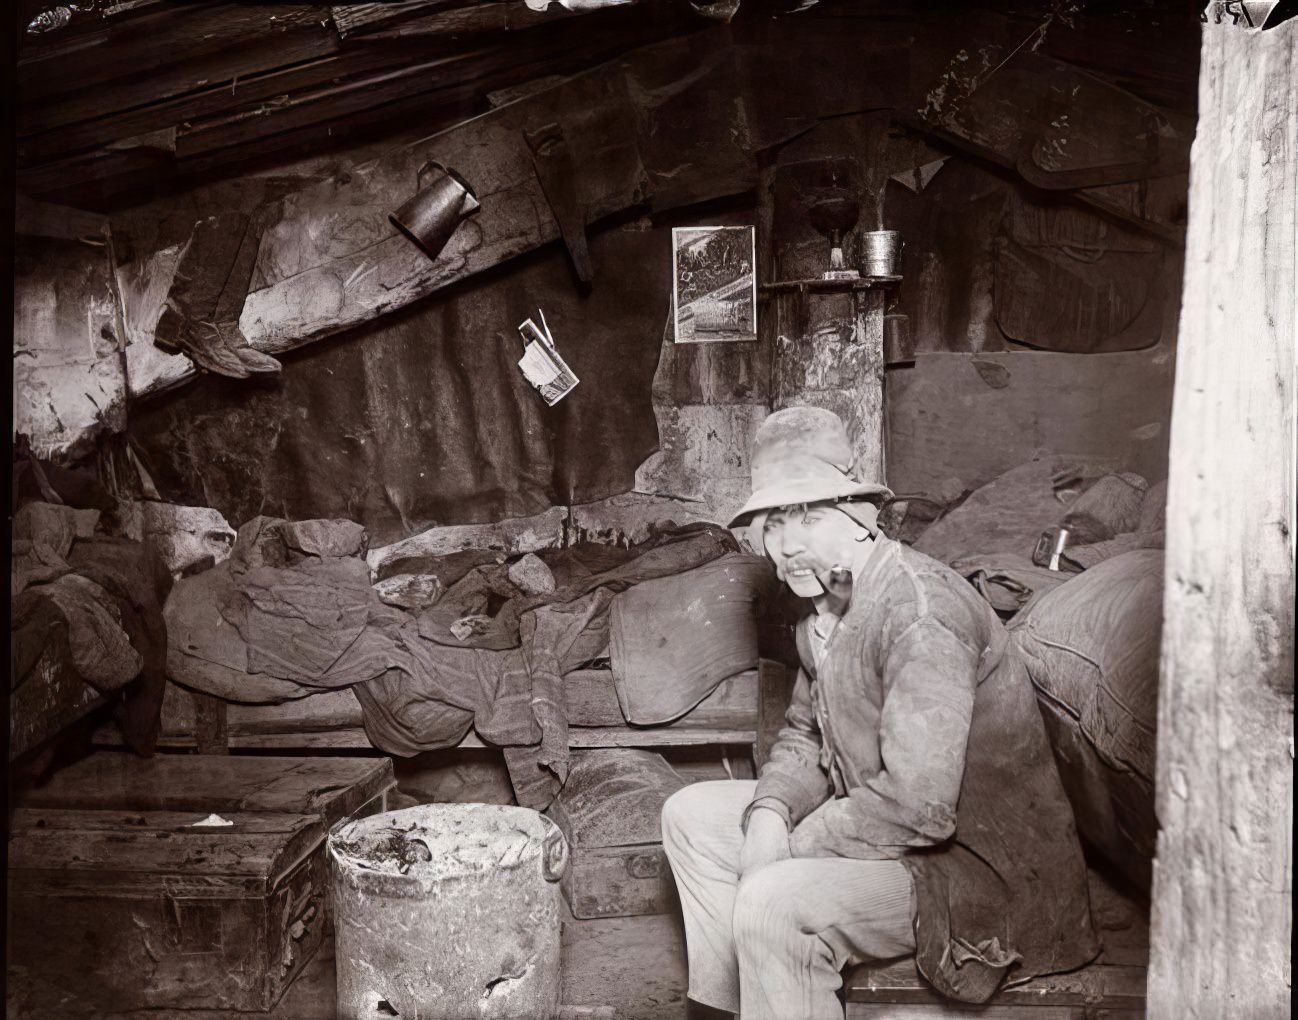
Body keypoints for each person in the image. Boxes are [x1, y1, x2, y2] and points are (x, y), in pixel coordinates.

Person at [661, 407, 1097, 1020]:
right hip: (881, 822)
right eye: (772, 523)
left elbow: (920, 808)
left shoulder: (921, 613)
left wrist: (795, 843)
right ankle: (726, 1008)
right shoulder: (828, 607)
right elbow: (804, 733)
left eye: (807, 518)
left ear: (858, 515)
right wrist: (770, 814)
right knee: (691, 817)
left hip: (971, 874)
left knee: (772, 901)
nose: (784, 547)